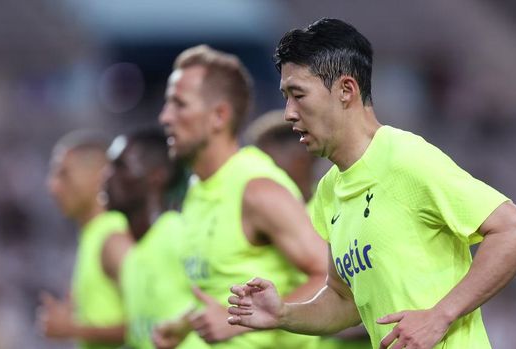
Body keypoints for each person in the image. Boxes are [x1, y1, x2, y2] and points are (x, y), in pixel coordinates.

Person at [227, 18, 516, 349]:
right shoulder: (329, 190)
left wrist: (440, 315)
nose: (289, 113)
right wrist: (283, 314)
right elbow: (344, 300)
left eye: (298, 95)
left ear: (346, 90)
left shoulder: (405, 158)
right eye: (285, 97)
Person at [153, 45, 327, 349]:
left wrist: (249, 316)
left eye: (179, 104)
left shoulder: (257, 189)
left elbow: (329, 278)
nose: (165, 116)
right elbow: (221, 291)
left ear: (219, 115)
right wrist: (184, 325)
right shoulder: (197, 189)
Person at [244, 110, 371, 349]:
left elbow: (371, 298)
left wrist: (331, 321)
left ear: (299, 160)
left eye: (265, 162)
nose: (257, 173)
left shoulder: (344, 211)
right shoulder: (268, 222)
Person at [103, 128, 208, 349]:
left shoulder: (180, 233)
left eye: (120, 166)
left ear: (156, 176)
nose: (104, 177)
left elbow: (227, 297)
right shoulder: (133, 256)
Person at [39, 130, 132, 349]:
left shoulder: (113, 237)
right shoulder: (93, 235)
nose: (52, 186)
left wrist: (72, 329)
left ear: (99, 176)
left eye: (63, 174)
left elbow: (149, 321)